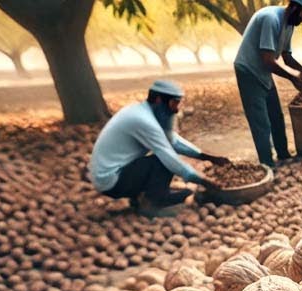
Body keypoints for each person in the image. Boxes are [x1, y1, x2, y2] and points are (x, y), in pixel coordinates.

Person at [88, 80, 229, 217]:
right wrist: (204, 181)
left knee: (159, 161)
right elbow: (169, 157)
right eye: (174, 103)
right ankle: (152, 204)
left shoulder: (143, 112)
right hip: (111, 180)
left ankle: (141, 197)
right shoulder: (143, 120)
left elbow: (172, 141)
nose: (176, 109)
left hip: (112, 174)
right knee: (161, 162)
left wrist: (206, 157)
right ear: (158, 100)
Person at [234, 0, 302, 167]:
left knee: (276, 116)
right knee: (261, 122)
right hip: (248, 71)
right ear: (295, 7)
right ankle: (267, 164)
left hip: (263, 71)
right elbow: (268, 60)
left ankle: (283, 155)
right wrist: (294, 79)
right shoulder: (270, 19)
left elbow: (286, 57)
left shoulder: (289, 25)